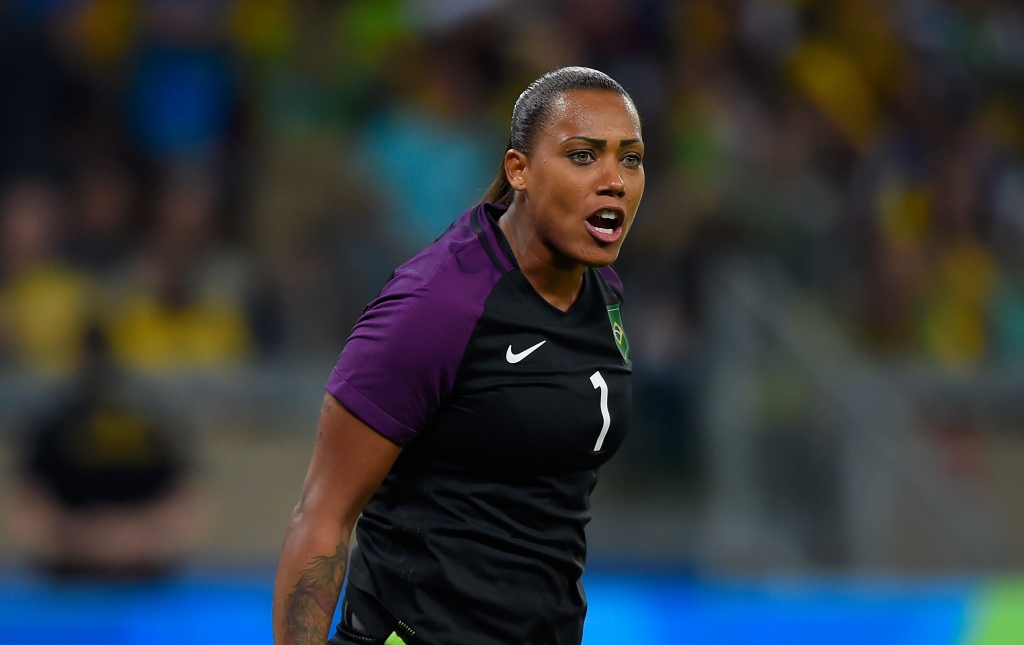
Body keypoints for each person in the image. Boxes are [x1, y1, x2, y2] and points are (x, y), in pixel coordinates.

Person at [273, 66, 645, 645]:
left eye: (630, 157)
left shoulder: (606, 298)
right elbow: (323, 516)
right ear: (518, 170)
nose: (614, 180)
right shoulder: (437, 304)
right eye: (582, 155)